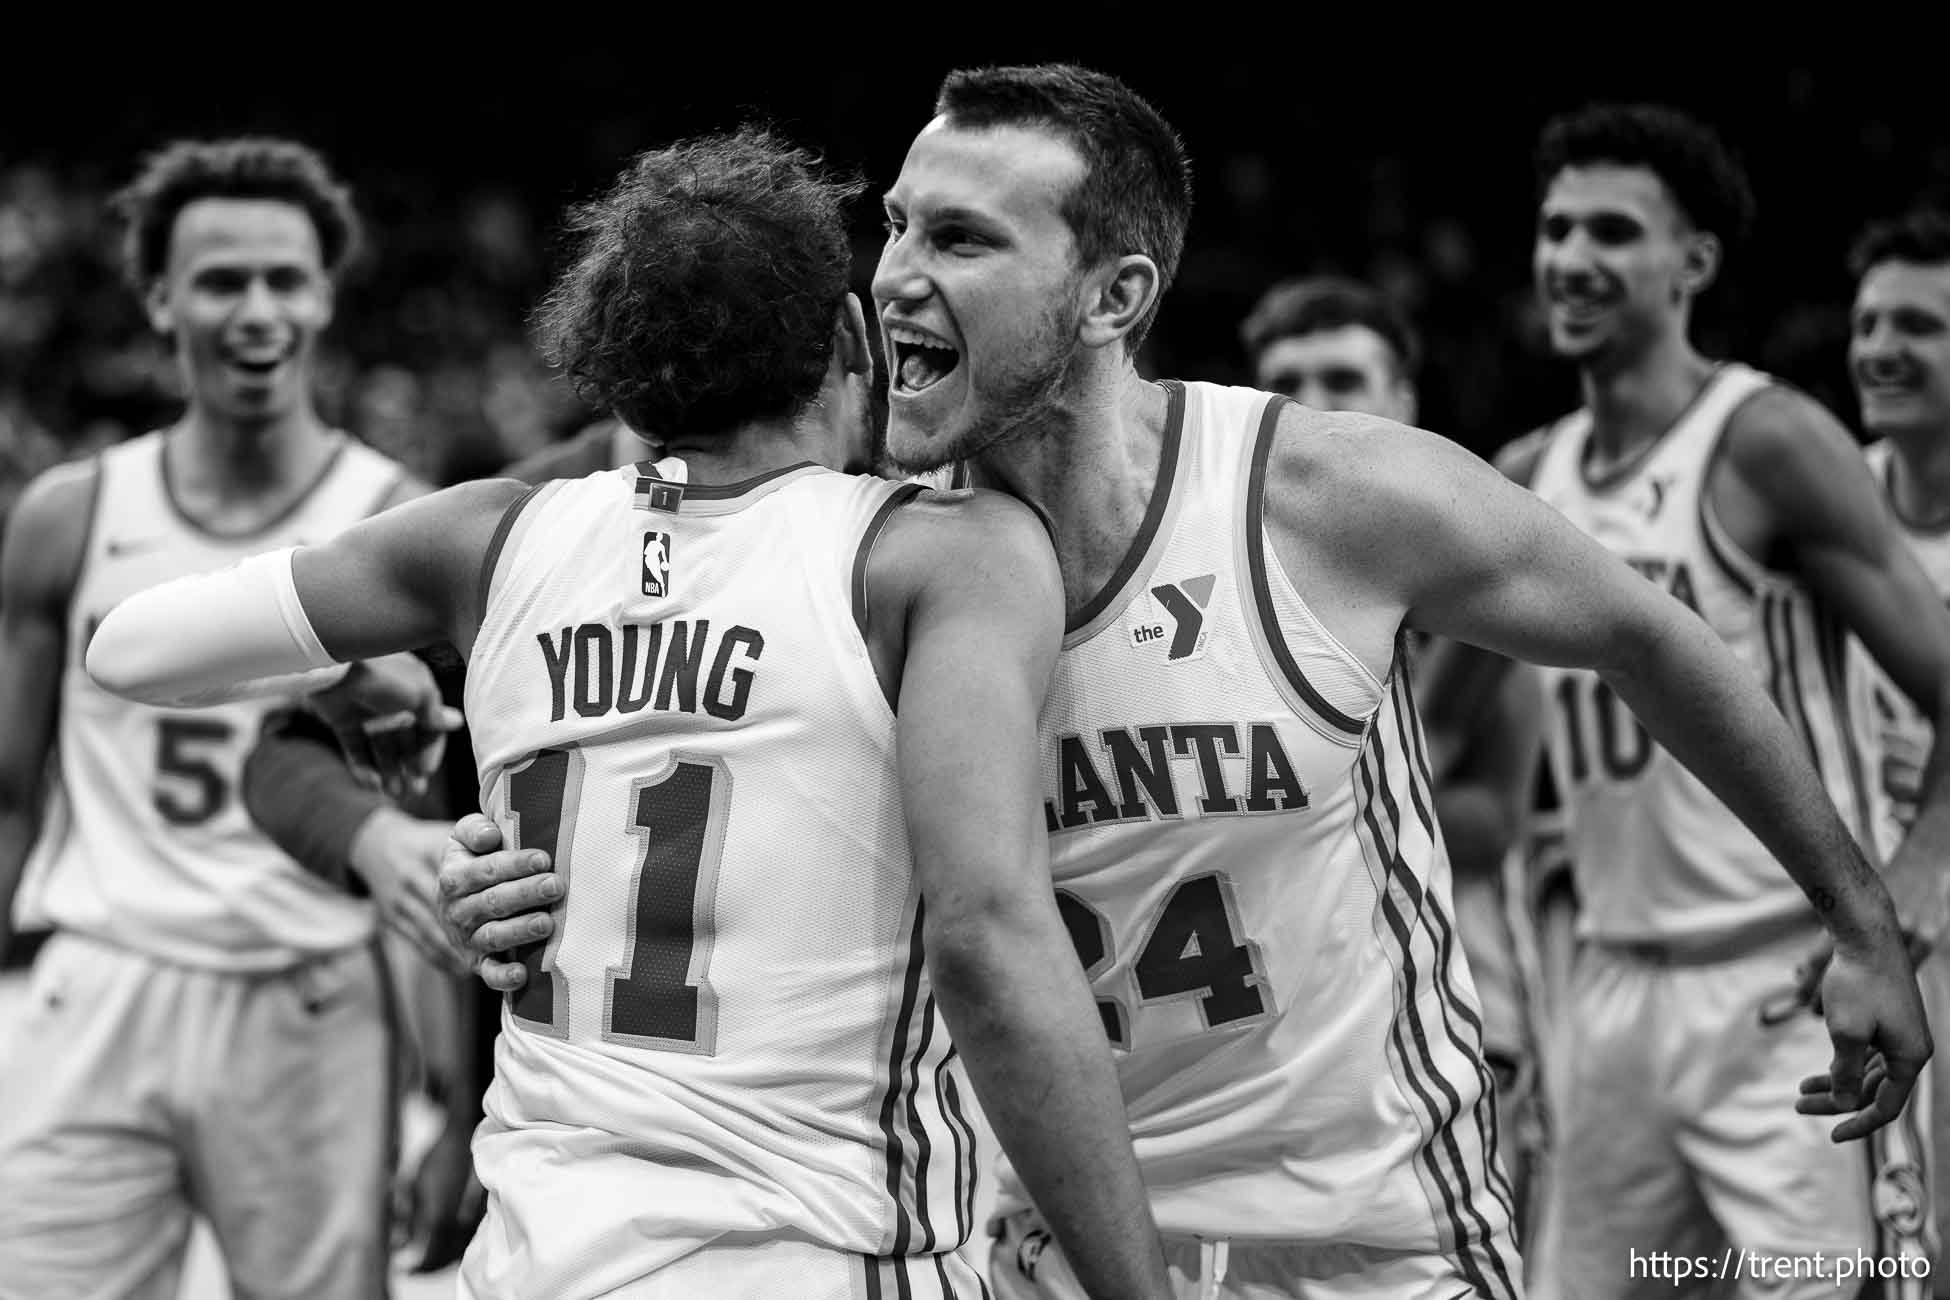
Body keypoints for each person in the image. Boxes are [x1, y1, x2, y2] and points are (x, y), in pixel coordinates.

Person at [436, 64, 1930, 1300]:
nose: (888, 275)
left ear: (1110, 295)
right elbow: (583, 624)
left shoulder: (1318, 497)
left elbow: (1654, 641)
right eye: (892, 225)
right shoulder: (848, 538)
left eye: (958, 239)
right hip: (1042, 1242)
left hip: (1364, 1233)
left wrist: (1866, 916)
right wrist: (475, 860)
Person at [88, 125, 1172, 1300]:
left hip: (531, 1255)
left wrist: (362, 671)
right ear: (852, 338)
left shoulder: (490, 538)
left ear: (611, 360)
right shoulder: (930, 558)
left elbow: (133, 648)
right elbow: (989, 933)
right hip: (807, 1252)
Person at [0, 137, 456, 1300]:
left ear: (325, 294)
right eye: (220, 280)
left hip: (308, 990)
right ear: (160, 297)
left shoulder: (397, 520)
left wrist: (453, 1096)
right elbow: (12, 787)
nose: (258, 310)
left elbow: (431, 818)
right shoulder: (69, 514)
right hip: (101, 977)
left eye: (285, 279)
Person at [1506, 103, 1950, 1296]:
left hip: (1783, 981)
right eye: (1556, 229)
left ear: (1693, 261)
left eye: (1612, 231)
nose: (1573, 259)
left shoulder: (1766, 441)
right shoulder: (1522, 480)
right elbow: (1465, 767)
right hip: (1606, 989)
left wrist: (1905, 888)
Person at [1241, 272, 1551, 1239]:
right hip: (1283, 1023)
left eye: (1346, 376)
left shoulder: (1472, 592)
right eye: (1291, 382)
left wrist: (1287, 805)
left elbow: (1494, 826)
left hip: (1461, 1005)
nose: (1320, 405)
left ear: (1404, 401)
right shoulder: (1233, 592)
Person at [1848, 205, 1950, 1295]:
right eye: (1869, 319)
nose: (1879, 348)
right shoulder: (1827, 502)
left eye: (1917, 325)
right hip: (1868, 936)